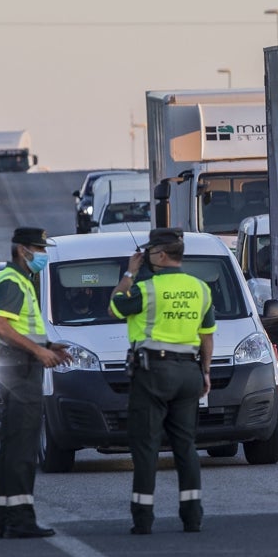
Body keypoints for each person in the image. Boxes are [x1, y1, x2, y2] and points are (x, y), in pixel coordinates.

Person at [109, 227, 216, 534]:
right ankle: (192, 516)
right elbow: (207, 336)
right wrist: (205, 372)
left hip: (154, 373)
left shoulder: (148, 289)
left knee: (146, 446)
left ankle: (143, 519)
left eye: (150, 252)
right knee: (186, 445)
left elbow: (115, 305)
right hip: (189, 372)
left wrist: (130, 274)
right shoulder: (200, 288)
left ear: (161, 255)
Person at [0, 227, 73, 539]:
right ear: (23, 250)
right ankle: (20, 519)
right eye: (38, 249)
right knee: (22, 449)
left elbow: (23, 328)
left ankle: (7, 517)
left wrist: (47, 347)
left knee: (14, 447)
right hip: (19, 372)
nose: (42, 254)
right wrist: (38, 350)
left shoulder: (21, 281)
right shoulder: (12, 280)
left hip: (20, 368)